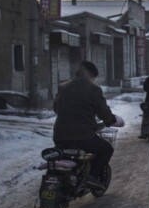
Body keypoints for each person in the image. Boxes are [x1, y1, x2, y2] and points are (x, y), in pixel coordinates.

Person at [53, 60, 125, 189]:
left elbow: (56, 108)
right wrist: (110, 120)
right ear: (89, 75)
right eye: (93, 78)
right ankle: (91, 176)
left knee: (65, 155)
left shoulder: (63, 87)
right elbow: (104, 112)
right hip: (83, 136)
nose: (92, 81)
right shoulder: (92, 89)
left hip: (59, 136)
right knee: (106, 149)